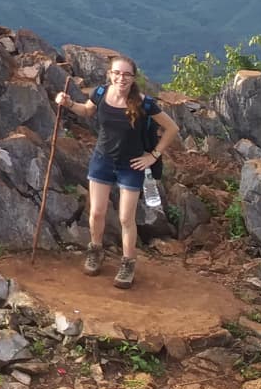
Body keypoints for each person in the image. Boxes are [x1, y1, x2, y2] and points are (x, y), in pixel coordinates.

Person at [53, 56, 179, 288]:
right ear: (110, 74)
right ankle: (95, 250)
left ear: (134, 78)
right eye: (117, 73)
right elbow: (87, 111)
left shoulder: (144, 103)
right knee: (97, 212)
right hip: (102, 160)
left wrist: (153, 156)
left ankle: (128, 262)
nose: (121, 78)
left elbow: (172, 128)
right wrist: (68, 103)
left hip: (131, 166)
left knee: (125, 218)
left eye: (127, 74)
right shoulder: (101, 93)